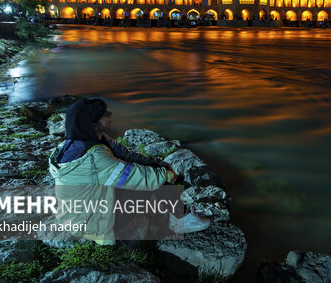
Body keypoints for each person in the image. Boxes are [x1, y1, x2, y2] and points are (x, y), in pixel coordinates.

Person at [48, 98, 210, 245]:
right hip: (90, 223)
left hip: (84, 209)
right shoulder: (94, 158)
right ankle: (180, 220)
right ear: (92, 123)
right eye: (104, 114)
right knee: (156, 181)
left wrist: (160, 164)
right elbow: (134, 176)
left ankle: (171, 210)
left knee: (155, 173)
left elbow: (126, 155)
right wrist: (165, 175)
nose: (109, 115)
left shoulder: (79, 142)